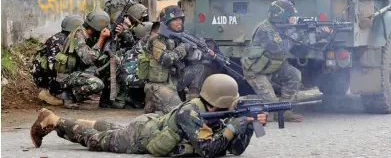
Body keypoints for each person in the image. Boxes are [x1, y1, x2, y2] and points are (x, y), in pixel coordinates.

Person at [30, 74, 268, 158]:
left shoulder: (214, 111)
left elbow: (234, 150)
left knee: (112, 129)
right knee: (97, 140)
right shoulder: (190, 113)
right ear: (220, 102)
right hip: (140, 137)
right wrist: (233, 127)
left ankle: (86, 122)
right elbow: (208, 150)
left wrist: (245, 126)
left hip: (150, 125)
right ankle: (54, 121)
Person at [241, 0, 331, 122]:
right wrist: (297, 35)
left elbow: (300, 50)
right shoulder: (265, 29)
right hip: (256, 71)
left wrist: (319, 35)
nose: (292, 19)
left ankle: (284, 112)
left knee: (294, 75)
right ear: (280, 17)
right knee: (271, 110)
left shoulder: (284, 28)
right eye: (290, 17)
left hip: (273, 66)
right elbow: (280, 47)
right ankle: (253, 107)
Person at [144, 5, 211, 114]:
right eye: (175, 19)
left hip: (174, 80)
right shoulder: (157, 40)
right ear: (166, 22)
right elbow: (166, 60)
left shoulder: (178, 37)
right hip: (159, 85)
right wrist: (183, 48)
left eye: (180, 19)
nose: (179, 22)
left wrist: (197, 52)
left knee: (199, 68)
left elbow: (186, 60)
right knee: (180, 114)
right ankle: (152, 100)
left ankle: (192, 102)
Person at [56, 9, 124, 109]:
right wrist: (101, 39)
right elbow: (88, 59)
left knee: (114, 61)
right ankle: (69, 95)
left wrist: (117, 35)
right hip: (67, 76)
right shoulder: (77, 35)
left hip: (81, 71)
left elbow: (107, 53)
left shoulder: (91, 34)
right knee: (96, 84)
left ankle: (106, 100)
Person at [31, 14, 84, 106]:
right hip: (44, 76)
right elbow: (53, 66)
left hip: (52, 73)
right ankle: (49, 93)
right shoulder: (58, 40)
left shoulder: (71, 39)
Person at [108, 22, 159, 109]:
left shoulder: (146, 40)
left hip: (129, 76)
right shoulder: (150, 42)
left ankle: (134, 98)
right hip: (130, 77)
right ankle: (133, 98)